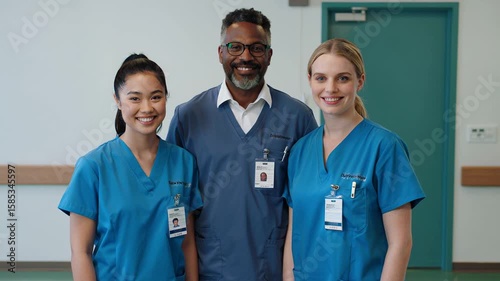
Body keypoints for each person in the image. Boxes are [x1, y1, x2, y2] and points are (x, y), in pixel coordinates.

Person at [167, 8, 317, 281]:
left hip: (274, 269)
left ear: (269, 55)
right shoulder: (189, 116)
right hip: (210, 268)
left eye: (256, 48)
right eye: (235, 47)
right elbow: (175, 201)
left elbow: (308, 202)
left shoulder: (298, 118)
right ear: (221, 52)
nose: (245, 57)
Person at [282, 38, 426, 281]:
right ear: (310, 81)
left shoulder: (384, 147)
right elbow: (293, 233)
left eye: (343, 78)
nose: (330, 88)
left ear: (360, 81)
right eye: (321, 78)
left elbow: (400, 243)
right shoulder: (299, 151)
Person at [58, 54, 202, 281]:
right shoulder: (93, 167)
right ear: (117, 100)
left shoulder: (183, 162)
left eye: (156, 97)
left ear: (166, 98)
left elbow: (187, 242)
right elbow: (81, 253)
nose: (147, 108)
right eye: (135, 99)